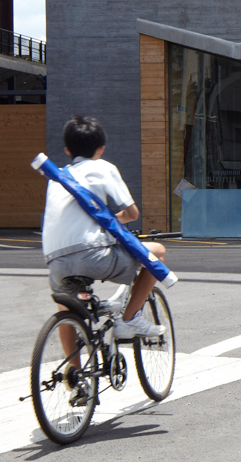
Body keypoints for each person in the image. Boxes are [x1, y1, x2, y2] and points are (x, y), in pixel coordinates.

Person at [41, 114, 167, 338]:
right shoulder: (103, 167)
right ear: (101, 149)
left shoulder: (56, 178)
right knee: (157, 252)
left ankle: (73, 361)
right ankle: (129, 320)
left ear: (67, 150)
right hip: (91, 256)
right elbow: (132, 213)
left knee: (66, 311)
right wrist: (114, 220)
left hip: (55, 261)